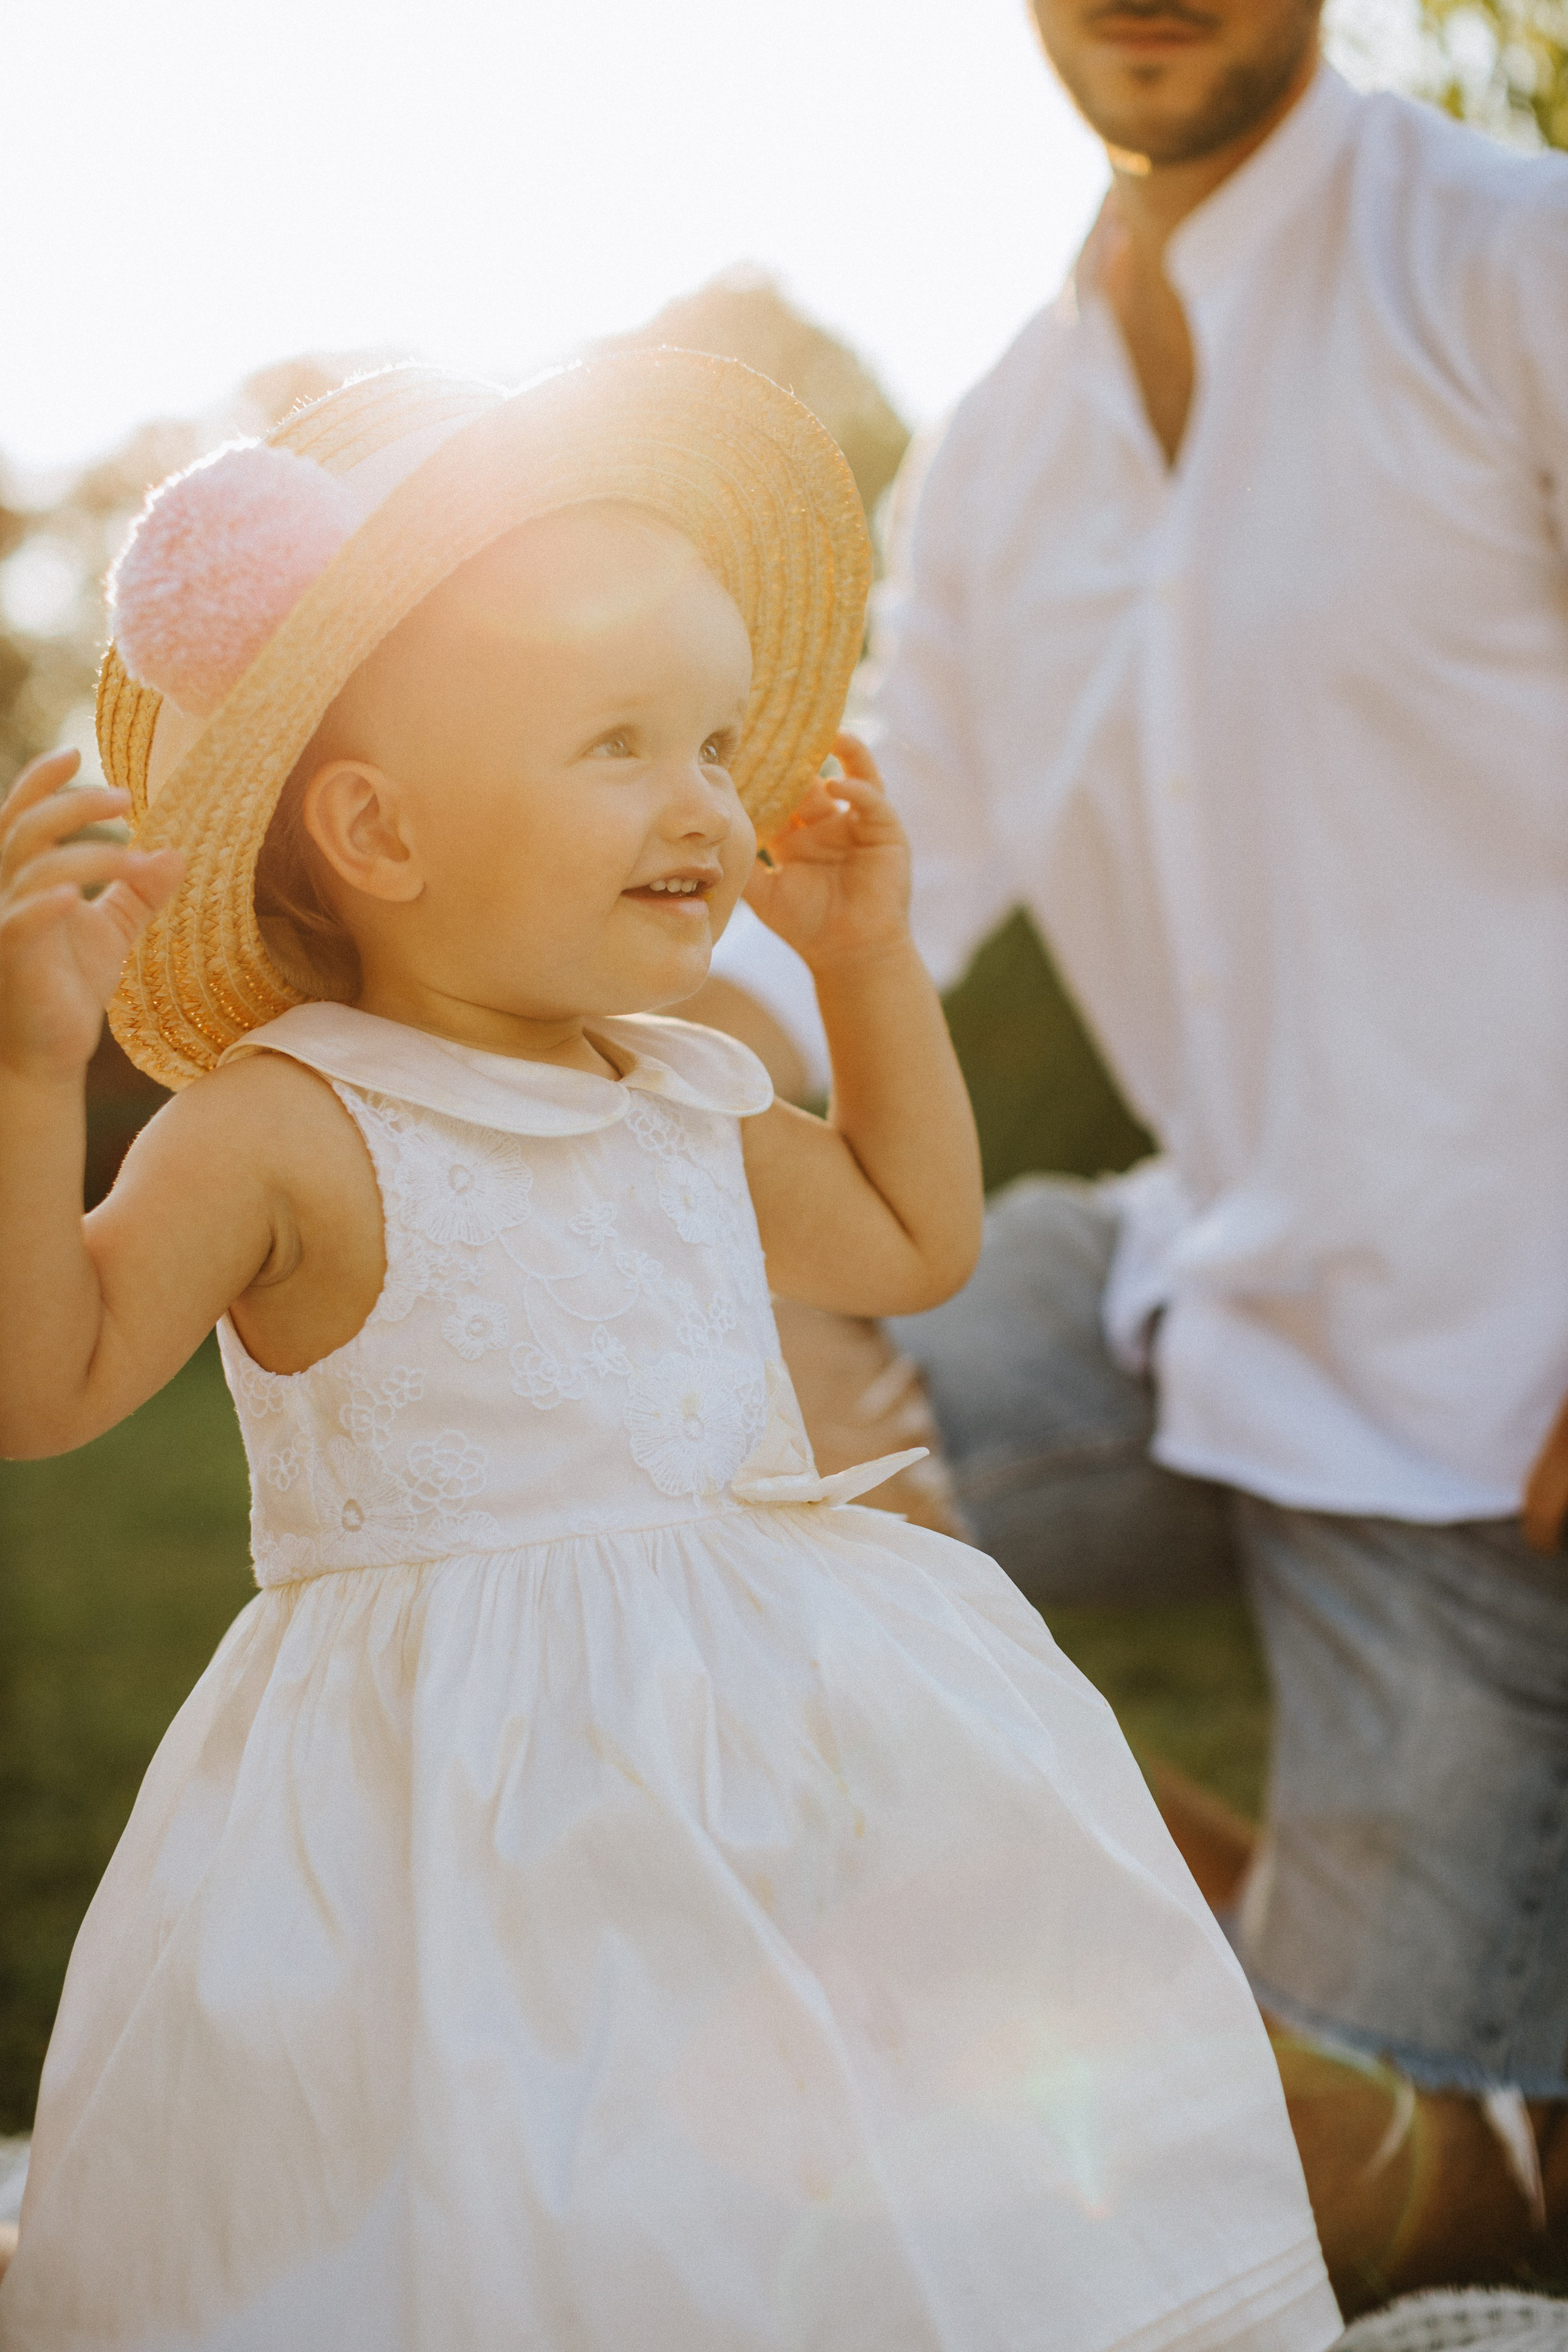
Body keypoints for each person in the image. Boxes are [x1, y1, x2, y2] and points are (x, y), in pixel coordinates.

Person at [0, 358, 1337, 2349]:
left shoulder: (679, 1097)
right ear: (377, 825)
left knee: (854, 2188)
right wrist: (33, 1075)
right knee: (540, 2201)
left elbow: (915, 1237)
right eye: (619, 744)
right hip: (452, 1816)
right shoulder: (286, 1123)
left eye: (716, 740)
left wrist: (870, 960)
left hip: (791, 1748)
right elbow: (51, 1380)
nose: (708, 801)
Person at [699, 0, 1568, 2311]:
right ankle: (1095, 1836)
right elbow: (856, 885)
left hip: (1509, 1410)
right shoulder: (996, 450)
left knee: (1367, 2208)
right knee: (648, 1332)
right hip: (1199, 1282)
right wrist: (520, 1013)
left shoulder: (1515, 269)